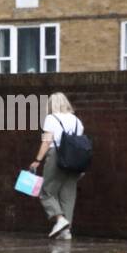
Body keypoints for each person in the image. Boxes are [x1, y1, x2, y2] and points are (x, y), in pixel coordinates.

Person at [29, 92, 84, 240]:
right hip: (75, 159)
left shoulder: (51, 118)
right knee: (68, 195)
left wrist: (37, 160)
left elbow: (46, 141)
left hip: (56, 156)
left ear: (51, 105)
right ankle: (66, 231)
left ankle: (59, 219)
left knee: (46, 191)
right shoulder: (77, 121)